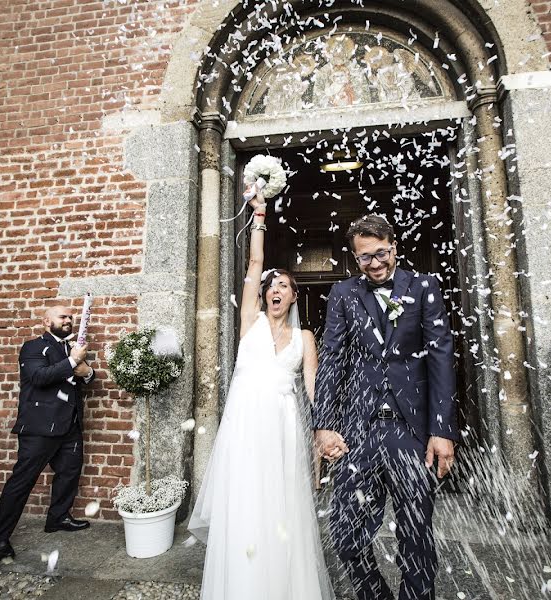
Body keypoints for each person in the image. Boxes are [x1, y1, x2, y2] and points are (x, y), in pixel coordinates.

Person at [188, 186, 336, 600]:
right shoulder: (249, 321)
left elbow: (312, 389)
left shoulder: (305, 337)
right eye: (271, 283)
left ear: (293, 296)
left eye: (284, 285)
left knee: (281, 506)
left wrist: (318, 435)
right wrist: (259, 217)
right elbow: (254, 262)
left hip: (284, 428)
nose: (275, 288)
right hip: (246, 427)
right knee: (248, 504)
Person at [314, 214, 459, 600]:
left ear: (393, 247)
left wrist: (442, 430)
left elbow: (441, 357)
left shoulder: (423, 286)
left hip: (409, 432)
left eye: (381, 254)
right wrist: (324, 424)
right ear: (354, 258)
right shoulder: (344, 294)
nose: (375, 264)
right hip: (357, 433)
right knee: (346, 535)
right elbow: (332, 359)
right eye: (365, 258)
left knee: (416, 536)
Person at [0, 305, 96, 561]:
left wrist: (87, 372)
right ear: (47, 321)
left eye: (70, 317)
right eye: (63, 316)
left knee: (69, 472)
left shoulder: (71, 347)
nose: (68, 320)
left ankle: (58, 518)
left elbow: (85, 378)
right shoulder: (34, 346)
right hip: (39, 427)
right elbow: (38, 377)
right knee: (22, 482)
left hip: (69, 424)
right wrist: (73, 361)